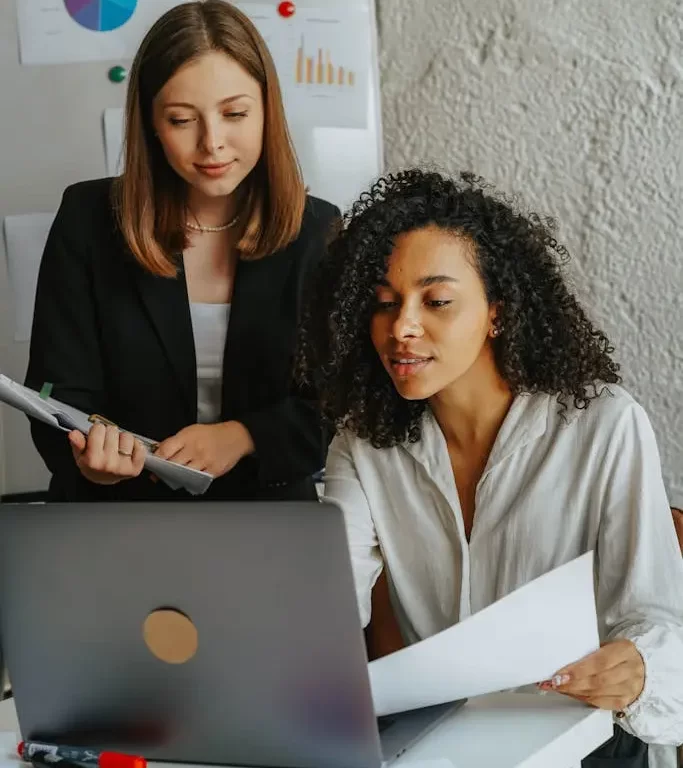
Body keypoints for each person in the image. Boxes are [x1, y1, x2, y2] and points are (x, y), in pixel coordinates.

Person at [296, 169, 683, 766]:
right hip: (445, 748)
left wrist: (637, 667)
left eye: (438, 301)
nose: (402, 327)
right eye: (383, 303)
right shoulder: (363, 443)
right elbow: (328, 606)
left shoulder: (604, 425)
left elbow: (659, 619)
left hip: (587, 744)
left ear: (497, 312)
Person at [25, 0, 339, 502]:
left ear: (267, 109)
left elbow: (336, 406)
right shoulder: (87, 217)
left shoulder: (318, 228)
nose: (212, 143)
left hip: (265, 515)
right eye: (180, 120)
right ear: (150, 123)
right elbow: (55, 395)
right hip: (116, 514)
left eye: (235, 113)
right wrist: (91, 461)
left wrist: (243, 436)